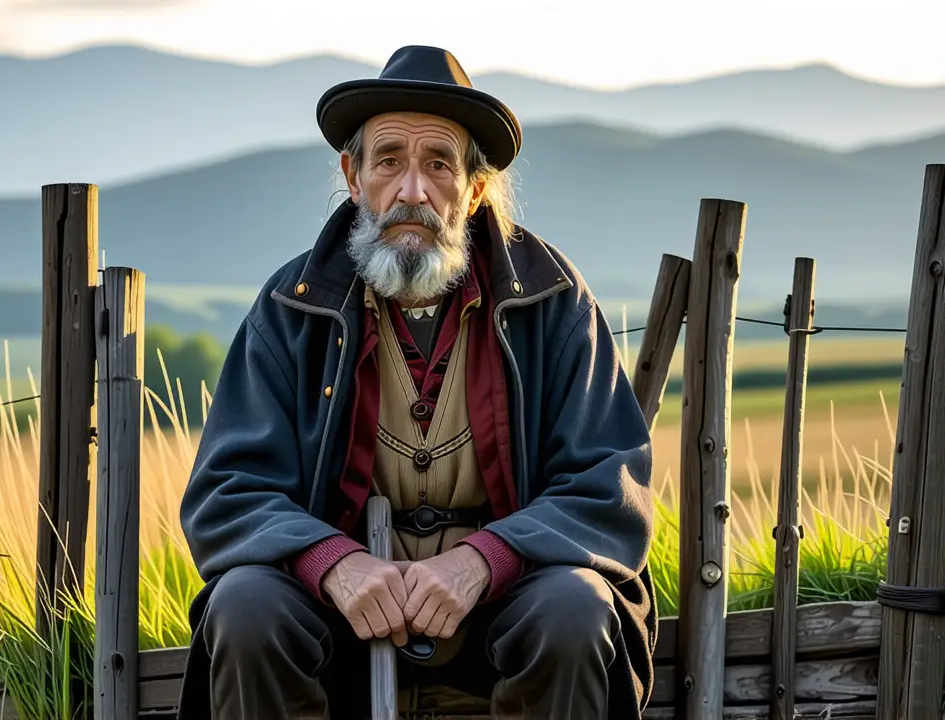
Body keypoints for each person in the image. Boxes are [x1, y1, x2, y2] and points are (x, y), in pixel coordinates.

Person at [176, 45, 657, 720]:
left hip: (504, 607)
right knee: (247, 607)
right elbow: (228, 492)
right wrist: (332, 562)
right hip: (338, 616)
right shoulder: (293, 307)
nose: (412, 191)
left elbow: (609, 485)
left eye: (439, 164)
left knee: (574, 608)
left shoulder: (551, 301)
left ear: (476, 187)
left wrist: (485, 559)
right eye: (389, 161)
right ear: (353, 174)